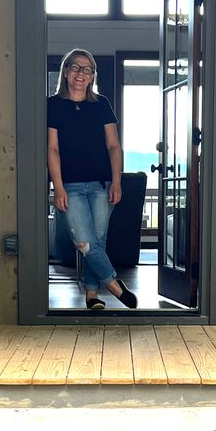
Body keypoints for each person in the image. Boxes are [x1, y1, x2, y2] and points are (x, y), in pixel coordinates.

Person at [47, 48, 138, 310]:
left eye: (87, 69)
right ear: (66, 72)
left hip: (102, 185)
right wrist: (58, 187)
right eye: (75, 67)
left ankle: (91, 294)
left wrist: (117, 182)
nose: (81, 73)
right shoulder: (52, 105)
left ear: (92, 76)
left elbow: (114, 146)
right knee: (84, 241)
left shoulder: (102, 104)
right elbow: (52, 149)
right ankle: (114, 284)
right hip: (71, 186)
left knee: (97, 241)